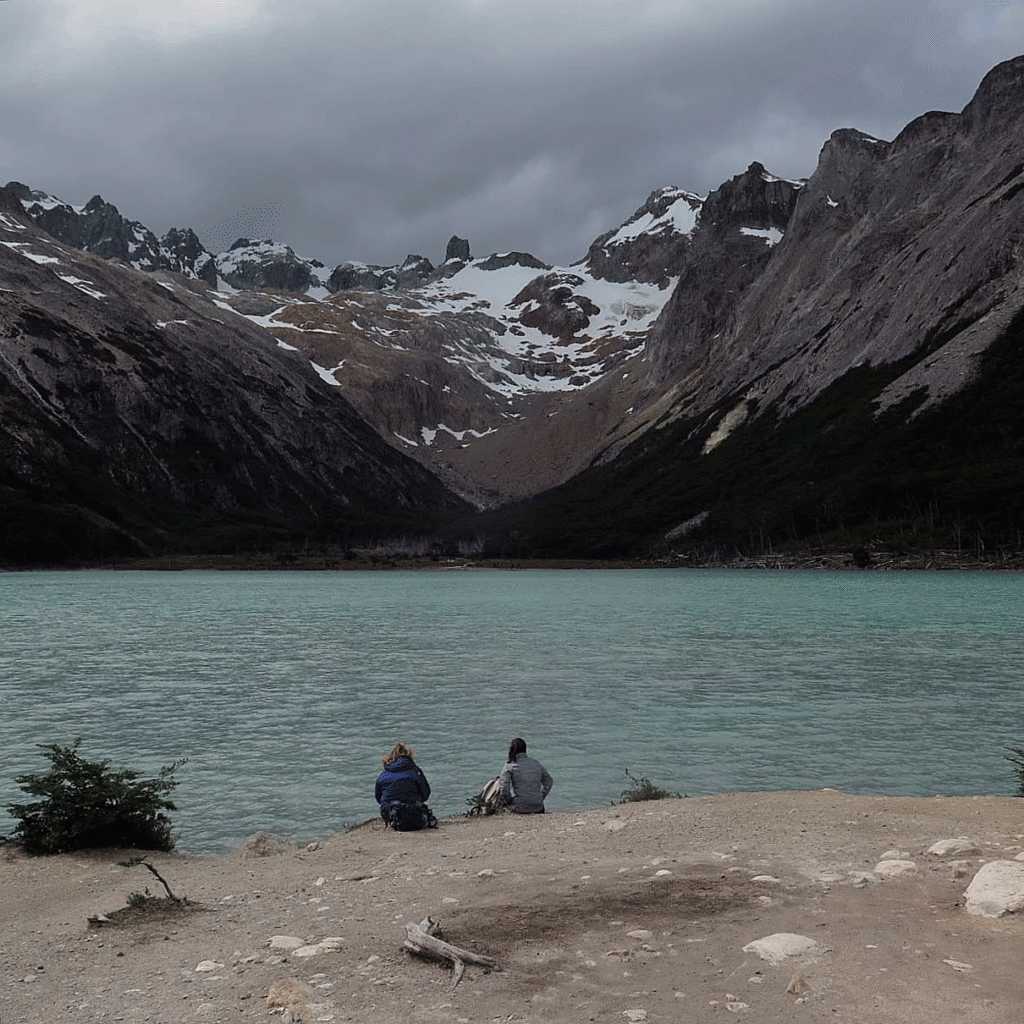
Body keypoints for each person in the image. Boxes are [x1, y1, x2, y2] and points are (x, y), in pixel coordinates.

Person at [375, 742, 434, 830]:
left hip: (393, 816)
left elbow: (379, 798)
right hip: (415, 815)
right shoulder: (415, 771)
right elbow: (425, 794)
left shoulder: (383, 775)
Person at [498, 737, 553, 814]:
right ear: (525, 749)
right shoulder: (535, 763)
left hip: (520, 807)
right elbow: (549, 781)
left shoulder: (509, 765)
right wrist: (541, 797)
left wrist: (508, 801)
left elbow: (504, 788)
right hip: (538, 807)